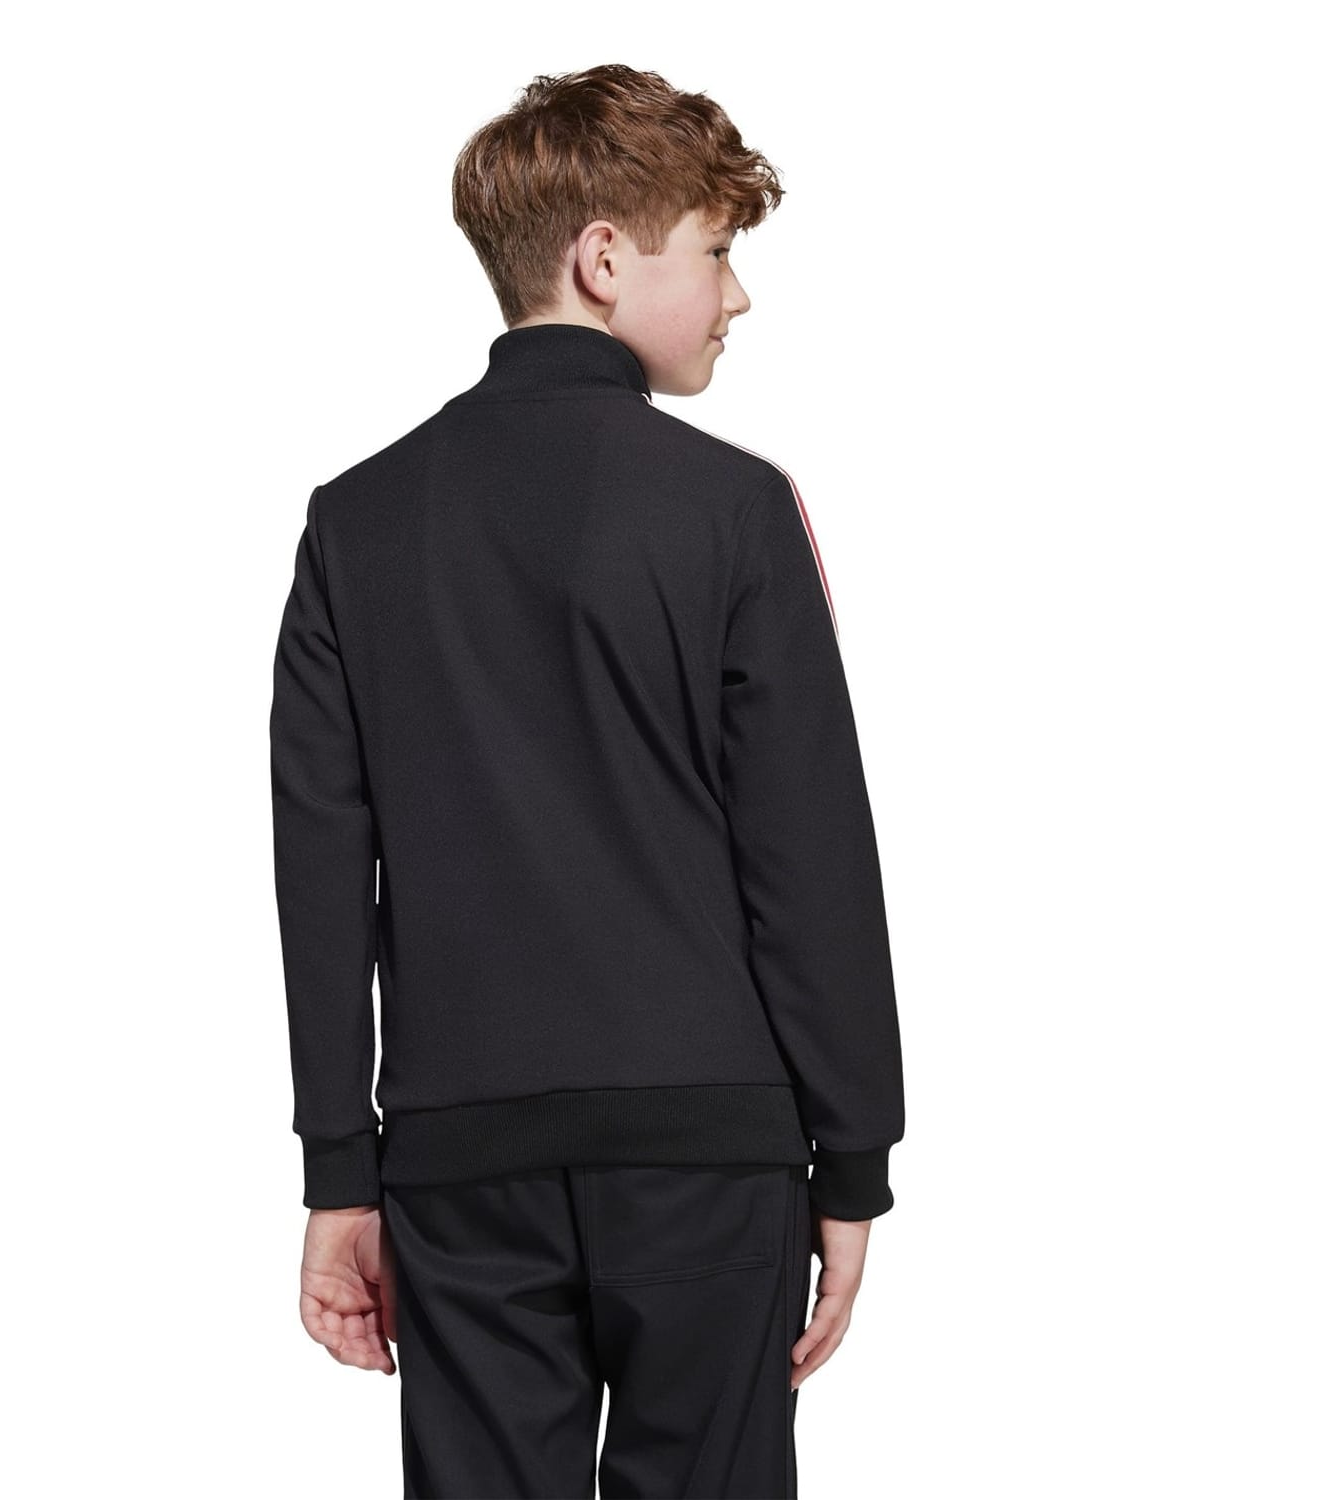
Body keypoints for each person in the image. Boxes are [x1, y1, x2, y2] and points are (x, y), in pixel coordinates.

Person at [269, 62, 905, 1499]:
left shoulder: (355, 523)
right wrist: (854, 1155)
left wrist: (341, 1172)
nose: (739, 297)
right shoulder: (736, 510)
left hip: (460, 1164)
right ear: (605, 260)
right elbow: (808, 855)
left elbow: (320, 870)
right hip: (711, 1156)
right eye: (718, 252)